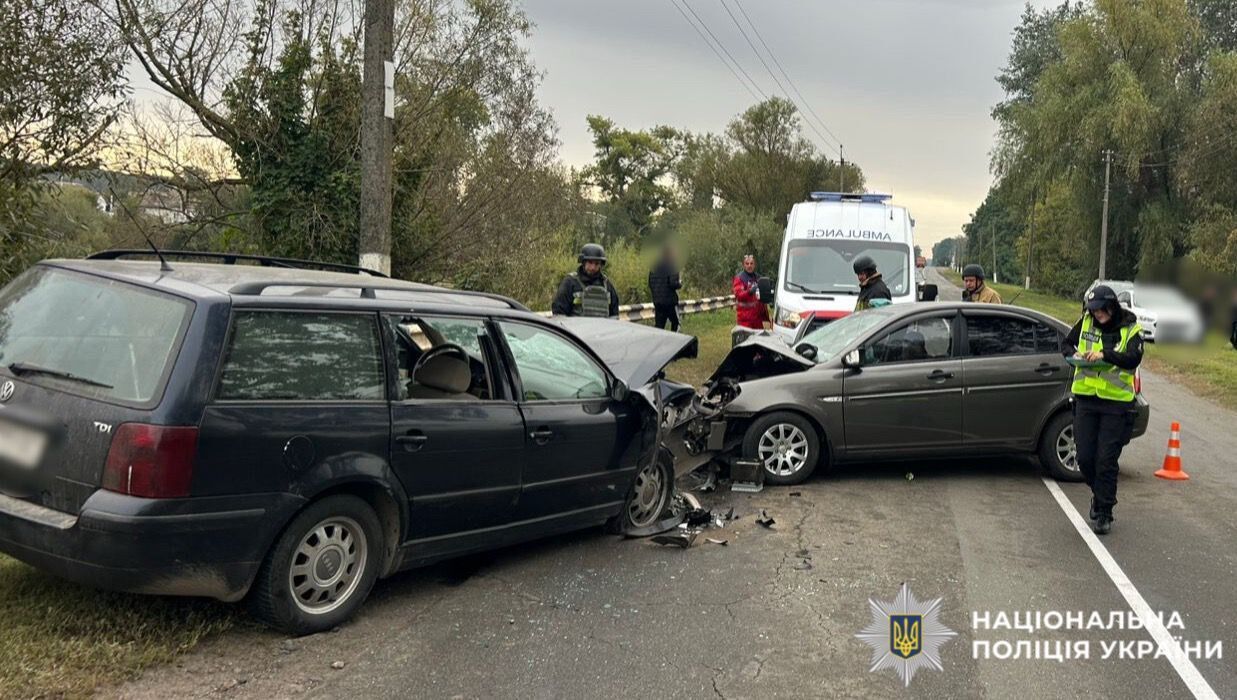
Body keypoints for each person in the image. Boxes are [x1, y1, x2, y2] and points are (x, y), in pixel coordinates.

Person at [1063, 285, 1144, 535]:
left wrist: (1104, 356)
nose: (1095, 315)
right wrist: (1074, 354)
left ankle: (1104, 511)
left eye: (1099, 310)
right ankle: (1100, 495)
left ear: (1111, 306)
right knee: (1085, 458)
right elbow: (1066, 345)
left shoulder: (1131, 328)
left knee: (1106, 460)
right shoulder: (1086, 322)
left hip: (1116, 404)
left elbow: (1133, 359)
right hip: (1086, 400)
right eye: (1092, 310)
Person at [552, 243, 620, 318]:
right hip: (576, 329)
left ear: (601, 265)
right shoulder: (570, 283)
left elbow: (614, 316)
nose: (593, 267)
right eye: (590, 263)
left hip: (602, 329)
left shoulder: (607, 285)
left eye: (597, 264)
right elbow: (559, 314)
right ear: (583, 262)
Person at [648, 244, 682, 331]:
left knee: (659, 327)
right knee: (676, 323)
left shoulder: (654, 267)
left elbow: (650, 283)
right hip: (670, 302)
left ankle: (659, 343)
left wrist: (656, 295)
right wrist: (679, 283)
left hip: (658, 302)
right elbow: (673, 283)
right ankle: (676, 342)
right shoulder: (672, 266)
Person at [732, 254, 770, 330]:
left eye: (751, 263)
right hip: (745, 320)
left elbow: (762, 298)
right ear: (743, 265)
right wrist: (750, 291)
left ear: (754, 265)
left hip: (757, 320)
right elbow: (739, 295)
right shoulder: (739, 279)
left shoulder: (758, 278)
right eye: (747, 263)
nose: (749, 266)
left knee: (759, 340)